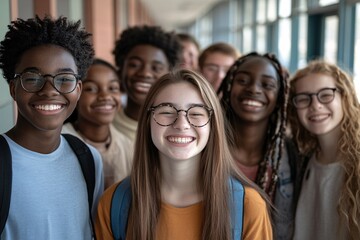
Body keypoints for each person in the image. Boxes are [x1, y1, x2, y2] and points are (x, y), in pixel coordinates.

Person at [95, 69, 273, 239]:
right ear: (147, 122)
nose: (181, 124)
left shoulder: (248, 207)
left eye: (196, 113)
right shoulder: (113, 204)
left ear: (213, 125)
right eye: (166, 111)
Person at [0, 15, 104, 239]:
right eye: (32, 78)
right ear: (13, 88)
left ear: (78, 88)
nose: (49, 90)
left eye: (64, 78)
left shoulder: (88, 158)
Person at [219, 52, 296, 240]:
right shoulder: (206, 147)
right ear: (229, 86)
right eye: (243, 81)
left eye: (267, 85)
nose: (253, 89)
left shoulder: (291, 154)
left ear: (280, 96)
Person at [288, 60, 360, 240]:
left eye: (326, 95)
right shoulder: (301, 160)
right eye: (304, 98)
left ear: (345, 97)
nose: (315, 105)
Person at [62, 58, 133, 189]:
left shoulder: (128, 148)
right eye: (91, 89)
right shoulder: (59, 143)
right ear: (75, 93)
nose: (105, 96)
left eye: (113, 88)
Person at [112, 25, 182, 142]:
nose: (145, 74)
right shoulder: (104, 126)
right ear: (120, 69)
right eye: (134, 65)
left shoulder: (179, 128)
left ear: (169, 75)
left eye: (156, 68)